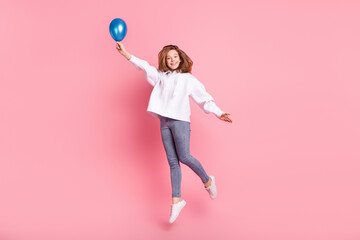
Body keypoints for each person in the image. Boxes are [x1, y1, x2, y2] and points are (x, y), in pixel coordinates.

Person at [116, 42, 232, 223]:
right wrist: (127, 54)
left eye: (175, 57)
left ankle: (208, 180)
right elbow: (144, 66)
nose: (172, 60)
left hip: (180, 122)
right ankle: (176, 201)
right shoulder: (161, 77)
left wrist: (218, 112)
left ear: (180, 58)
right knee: (172, 162)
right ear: (165, 60)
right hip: (164, 121)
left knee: (184, 156)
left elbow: (203, 98)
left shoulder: (188, 79)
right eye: (168, 58)